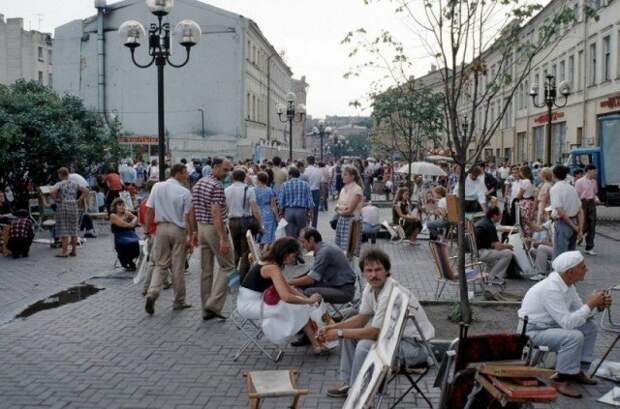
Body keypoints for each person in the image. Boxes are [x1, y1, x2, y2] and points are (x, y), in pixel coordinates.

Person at [320, 248, 434, 398]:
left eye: (378, 269)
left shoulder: (390, 292)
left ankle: (358, 394)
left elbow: (375, 332)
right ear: (363, 273)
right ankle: (349, 384)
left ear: (386, 271)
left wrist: (339, 333)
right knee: (349, 338)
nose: (374, 275)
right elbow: (361, 318)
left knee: (364, 346)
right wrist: (332, 327)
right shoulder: (371, 288)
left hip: (416, 348)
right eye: (369, 270)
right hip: (395, 341)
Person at [518, 251, 610, 398]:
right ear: (570, 272)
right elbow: (568, 323)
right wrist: (590, 304)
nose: (586, 269)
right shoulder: (551, 288)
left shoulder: (567, 284)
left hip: (550, 326)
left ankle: (576, 370)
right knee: (574, 336)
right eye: (583, 267)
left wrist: (597, 305)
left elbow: (581, 313)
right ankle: (561, 378)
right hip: (533, 332)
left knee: (590, 328)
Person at [237, 237, 325, 353]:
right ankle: (315, 343)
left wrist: (306, 299)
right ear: (285, 254)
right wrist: (308, 301)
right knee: (297, 306)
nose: (294, 260)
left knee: (300, 305)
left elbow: (288, 288)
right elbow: (286, 297)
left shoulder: (270, 262)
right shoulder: (272, 268)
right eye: (294, 256)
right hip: (249, 305)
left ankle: (315, 343)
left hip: (253, 300)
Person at [144, 164, 194, 315]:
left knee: (160, 264)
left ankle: (152, 292)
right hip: (178, 229)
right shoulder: (185, 192)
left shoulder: (157, 187)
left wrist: (147, 230)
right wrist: (190, 236)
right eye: (185, 173)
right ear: (177, 173)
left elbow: (149, 210)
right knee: (178, 266)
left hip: (161, 228)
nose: (187, 176)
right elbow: (188, 217)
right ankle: (179, 300)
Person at [192, 158, 236, 321]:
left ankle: (206, 309)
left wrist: (194, 232)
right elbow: (216, 213)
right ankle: (213, 304)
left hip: (202, 227)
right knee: (229, 266)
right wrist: (223, 238)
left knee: (206, 270)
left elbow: (192, 209)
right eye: (225, 170)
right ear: (216, 167)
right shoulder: (216, 186)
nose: (227, 173)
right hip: (213, 228)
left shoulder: (200, 183)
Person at [291, 228, 356, 304]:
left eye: (303, 241)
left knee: (309, 292)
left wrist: (288, 282)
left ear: (311, 239)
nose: (302, 245)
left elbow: (310, 279)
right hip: (337, 285)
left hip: (344, 290)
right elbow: (312, 273)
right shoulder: (324, 247)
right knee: (300, 286)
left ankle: (312, 315)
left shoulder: (323, 252)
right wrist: (293, 281)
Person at [475, 206, 520, 301]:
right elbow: (497, 246)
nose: (500, 217)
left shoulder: (483, 222)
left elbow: (492, 244)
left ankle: (490, 280)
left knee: (497, 258)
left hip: (477, 251)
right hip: (482, 252)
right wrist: (508, 246)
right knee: (507, 253)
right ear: (494, 215)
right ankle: (493, 278)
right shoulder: (489, 225)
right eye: (499, 215)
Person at [225, 168, 262, 283]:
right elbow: (254, 209)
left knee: (236, 250)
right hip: (245, 221)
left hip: (232, 221)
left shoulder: (226, 190)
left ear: (233, 177)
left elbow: (225, 208)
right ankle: (242, 278)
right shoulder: (249, 190)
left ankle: (232, 275)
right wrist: (259, 224)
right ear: (244, 177)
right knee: (246, 251)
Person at [51, 167, 88, 257]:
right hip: (73, 206)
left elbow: (52, 191)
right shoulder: (75, 183)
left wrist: (56, 199)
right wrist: (78, 200)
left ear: (60, 174)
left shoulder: (60, 184)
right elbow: (86, 191)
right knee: (74, 229)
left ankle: (64, 252)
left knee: (64, 229)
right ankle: (74, 251)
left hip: (63, 206)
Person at [550, 165, 583, 257]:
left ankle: (558, 271)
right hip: (573, 221)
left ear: (554, 175)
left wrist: (573, 226)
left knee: (559, 256)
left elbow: (560, 211)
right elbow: (580, 210)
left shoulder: (555, 189)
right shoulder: (572, 188)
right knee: (570, 256)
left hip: (563, 223)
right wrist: (579, 228)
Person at [277, 167, 315, 239]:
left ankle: (292, 247)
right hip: (301, 211)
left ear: (290, 175)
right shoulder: (305, 184)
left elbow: (281, 201)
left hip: (288, 211)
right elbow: (310, 201)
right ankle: (301, 246)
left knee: (290, 234)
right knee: (302, 232)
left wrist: (280, 213)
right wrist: (311, 213)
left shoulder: (285, 185)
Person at [335, 165, 364, 256]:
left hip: (352, 222)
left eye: (345, 174)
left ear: (352, 176)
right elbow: (337, 207)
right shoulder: (343, 189)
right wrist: (342, 208)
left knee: (349, 250)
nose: (342, 176)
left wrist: (341, 208)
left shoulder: (357, 190)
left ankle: (350, 269)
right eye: (343, 174)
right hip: (342, 220)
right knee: (340, 250)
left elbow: (349, 210)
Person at [574, 164, 599, 256]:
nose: (595, 173)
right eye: (594, 171)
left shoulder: (594, 182)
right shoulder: (579, 182)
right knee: (582, 224)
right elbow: (576, 195)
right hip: (582, 203)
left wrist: (596, 198)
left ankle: (589, 247)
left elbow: (595, 193)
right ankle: (574, 241)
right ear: (588, 171)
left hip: (591, 203)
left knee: (592, 225)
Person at [109, 198, 140, 271]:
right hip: (120, 238)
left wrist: (132, 223)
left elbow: (136, 218)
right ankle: (127, 261)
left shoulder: (126, 213)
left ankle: (131, 260)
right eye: (119, 205)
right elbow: (123, 224)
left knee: (137, 243)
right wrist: (132, 224)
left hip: (131, 235)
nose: (122, 207)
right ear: (115, 206)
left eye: (123, 205)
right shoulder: (113, 215)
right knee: (127, 244)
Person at [254, 172, 278, 248]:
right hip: (268, 212)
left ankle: (261, 249)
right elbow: (273, 205)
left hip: (257, 212)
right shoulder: (270, 190)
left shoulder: (253, 190)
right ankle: (267, 249)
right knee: (269, 233)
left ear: (259, 180)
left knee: (260, 231)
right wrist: (277, 217)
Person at [517, 165, 536, 236]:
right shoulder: (531, 181)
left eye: (520, 171)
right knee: (529, 221)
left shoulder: (525, 181)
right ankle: (529, 238)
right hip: (530, 202)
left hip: (525, 203)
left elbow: (519, 195)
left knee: (524, 222)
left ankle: (526, 241)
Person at [303, 156, 322, 229]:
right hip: (316, 192)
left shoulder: (306, 171)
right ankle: (314, 227)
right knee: (315, 211)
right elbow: (320, 183)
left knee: (306, 210)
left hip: (307, 192)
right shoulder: (318, 170)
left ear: (307, 161)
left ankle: (307, 226)